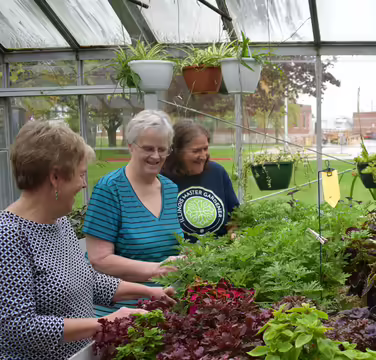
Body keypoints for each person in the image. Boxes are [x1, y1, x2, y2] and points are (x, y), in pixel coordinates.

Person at [0, 121, 175, 359]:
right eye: (81, 174)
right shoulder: (9, 236)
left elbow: (88, 281)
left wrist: (149, 292)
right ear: (55, 177)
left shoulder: (59, 222)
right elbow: (18, 327)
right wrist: (104, 322)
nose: (84, 183)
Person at [83, 110, 184, 317]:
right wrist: (158, 269)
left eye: (162, 149)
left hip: (166, 305)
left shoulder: (171, 188)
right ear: (130, 146)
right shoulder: (110, 189)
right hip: (119, 311)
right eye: (148, 148)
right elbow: (99, 259)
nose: (156, 156)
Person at [161, 120, 239, 240]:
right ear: (176, 152)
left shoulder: (217, 172)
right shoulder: (162, 179)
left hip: (221, 253)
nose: (203, 156)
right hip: (180, 256)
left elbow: (235, 215)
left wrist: (233, 233)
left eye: (205, 149)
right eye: (196, 151)